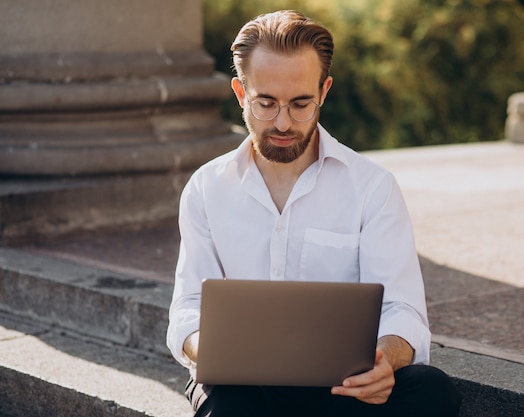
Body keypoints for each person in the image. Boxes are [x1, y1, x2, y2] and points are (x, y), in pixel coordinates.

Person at [167, 9, 461, 417]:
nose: (283, 122)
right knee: (230, 406)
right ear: (240, 93)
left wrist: (384, 360)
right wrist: (212, 350)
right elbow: (186, 309)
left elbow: (403, 310)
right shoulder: (206, 187)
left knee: (432, 391)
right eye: (265, 103)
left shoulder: (372, 187)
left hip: (341, 388)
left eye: (301, 103)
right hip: (243, 388)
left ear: (324, 91)